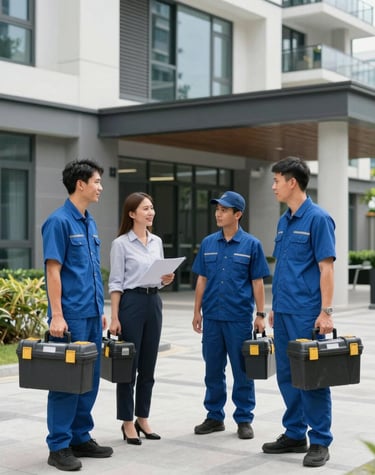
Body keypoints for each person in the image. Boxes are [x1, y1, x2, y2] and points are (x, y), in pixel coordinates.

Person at [262, 157, 335, 468]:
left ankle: (319, 439)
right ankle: (294, 434)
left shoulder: (318, 219)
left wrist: (326, 312)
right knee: (288, 376)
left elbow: (326, 268)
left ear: (292, 182)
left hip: (307, 313)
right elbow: (284, 268)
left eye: (277, 180)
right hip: (285, 311)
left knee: (313, 378)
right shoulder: (284, 220)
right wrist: (275, 307)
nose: (274, 186)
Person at [41, 159, 113, 471]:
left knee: (90, 379)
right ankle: (58, 446)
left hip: (91, 314)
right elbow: (53, 271)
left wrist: (101, 311)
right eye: (97, 181)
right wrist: (57, 315)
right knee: (66, 381)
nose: (100, 187)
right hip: (69, 316)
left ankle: (80, 436)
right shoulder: (58, 222)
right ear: (80, 184)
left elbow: (90, 272)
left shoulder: (89, 222)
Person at [192, 191, 270, 440]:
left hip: (238, 318)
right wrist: (197, 311)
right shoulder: (208, 243)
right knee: (213, 370)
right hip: (212, 317)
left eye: (224, 210)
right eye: (217, 209)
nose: (218, 213)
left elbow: (257, 282)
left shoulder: (252, 245)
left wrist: (260, 314)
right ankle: (214, 416)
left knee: (242, 371)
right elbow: (201, 279)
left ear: (237, 214)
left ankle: (244, 418)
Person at [108, 192, 174, 445]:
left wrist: (166, 279)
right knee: (129, 366)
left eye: (152, 208)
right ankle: (126, 421)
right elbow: (115, 282)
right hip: (131, 304)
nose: (150, 212)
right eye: (145, 209)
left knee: (149, 364)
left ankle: (142, 417)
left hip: (153, 302)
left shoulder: (156, 241)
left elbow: (158, 275)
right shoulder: (121, 244)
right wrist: (114, 317)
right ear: (132, 214)